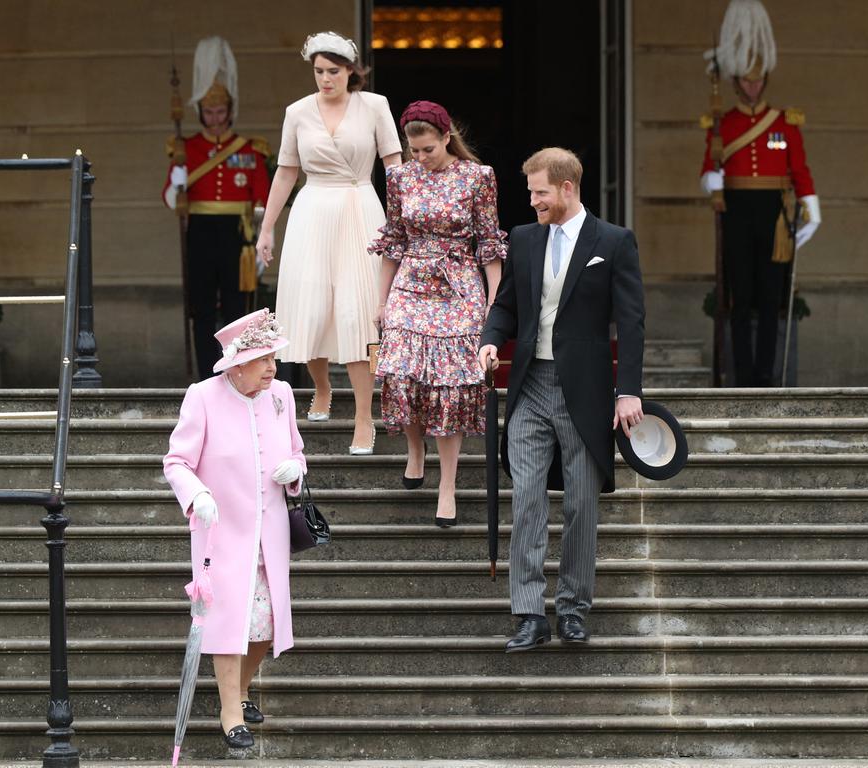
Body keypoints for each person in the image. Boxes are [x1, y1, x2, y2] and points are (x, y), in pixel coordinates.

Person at [478, 147, 645, 653]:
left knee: (580, 506)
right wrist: (490, 337)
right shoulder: (525, 240)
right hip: (529, 386)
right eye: (531, 193)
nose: (533, 202)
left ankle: (572, 610)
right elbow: (506, 304)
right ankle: (529, 614)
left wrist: (629, 390)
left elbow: (632, 321)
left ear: (567, 188)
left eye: (540, 192)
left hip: (586, 392)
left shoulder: (613, 242)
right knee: (527, 500)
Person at [163, 308, 306, 749]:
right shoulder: (202, 396)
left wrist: (294, 470)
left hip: (272, 532)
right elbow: (176, 462)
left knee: (266, 626)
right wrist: (197, 495)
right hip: (221, 533)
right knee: (228, 623)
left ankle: (240, 690)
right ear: (237, 363)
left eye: (273, 358)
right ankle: (230, 713)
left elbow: (298, 452)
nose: (271, 367)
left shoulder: (282, 394)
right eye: (263, 359)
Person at [256, 30, 402, 454]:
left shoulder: (374, 106)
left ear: (351, 71)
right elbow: (286, 171)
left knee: (358, 313)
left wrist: (401, 221)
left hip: (360, 205)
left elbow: (393, 164)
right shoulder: (298, 111)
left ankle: (363, 416)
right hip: (313, 209)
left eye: (333, 71)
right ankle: (321, 387)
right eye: (318, 71)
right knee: (312, 307)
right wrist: (267, 228)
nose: (325, 78)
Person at [369, 100, 506, 525]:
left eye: (429, 149)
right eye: (415, 151)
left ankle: (447, 485)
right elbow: (393, 240)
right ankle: (415, 448)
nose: (422, 158)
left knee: (450, 386)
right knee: (401, 372)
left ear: (447, 138)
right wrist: (382, 300)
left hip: (459, 283)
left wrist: (493, 303)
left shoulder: (478, 177)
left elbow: (488, 244)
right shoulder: (399, 178)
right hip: (410, 281)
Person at [700, 0, 820, 386]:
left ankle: (767, 374)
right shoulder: (722, 123)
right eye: (746, 81)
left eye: (758, 80)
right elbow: (708, 167)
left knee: (770, 297)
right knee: (740, 296)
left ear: (765, 80)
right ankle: (743, 376)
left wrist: (812, 208)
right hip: (736, 209)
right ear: (735, 82)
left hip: (773, 213)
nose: (752, 86)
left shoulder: (786, 122)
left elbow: (799, 169)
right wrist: (711, 182)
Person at [163, 36, 271, 379]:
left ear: (230, 111)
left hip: (237, 235)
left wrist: (258, 242)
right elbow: (169, 199)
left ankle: (241, 370)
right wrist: (178, 180)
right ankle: (208, 373)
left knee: (239, 308)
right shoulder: (186, 148)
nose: (214, 118)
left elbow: (262, 200)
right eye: (209, 111)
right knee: (203, 308)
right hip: (201, 231)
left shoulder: (250, 149)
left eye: (220, 111)